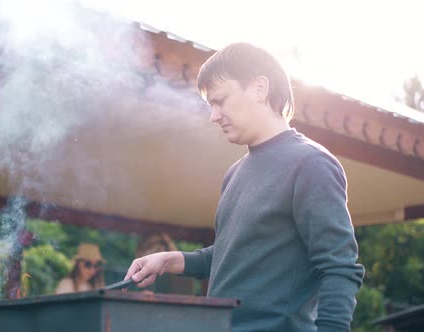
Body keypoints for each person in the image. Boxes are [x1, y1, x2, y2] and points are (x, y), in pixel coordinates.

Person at [124, 42, 365, 331]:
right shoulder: (235, 173)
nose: (213, 116)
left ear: (260, 88)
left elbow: (340, 268)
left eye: (221, 100)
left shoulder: (311, 164)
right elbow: (231, 253)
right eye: (210, 105)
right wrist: (169, 260)